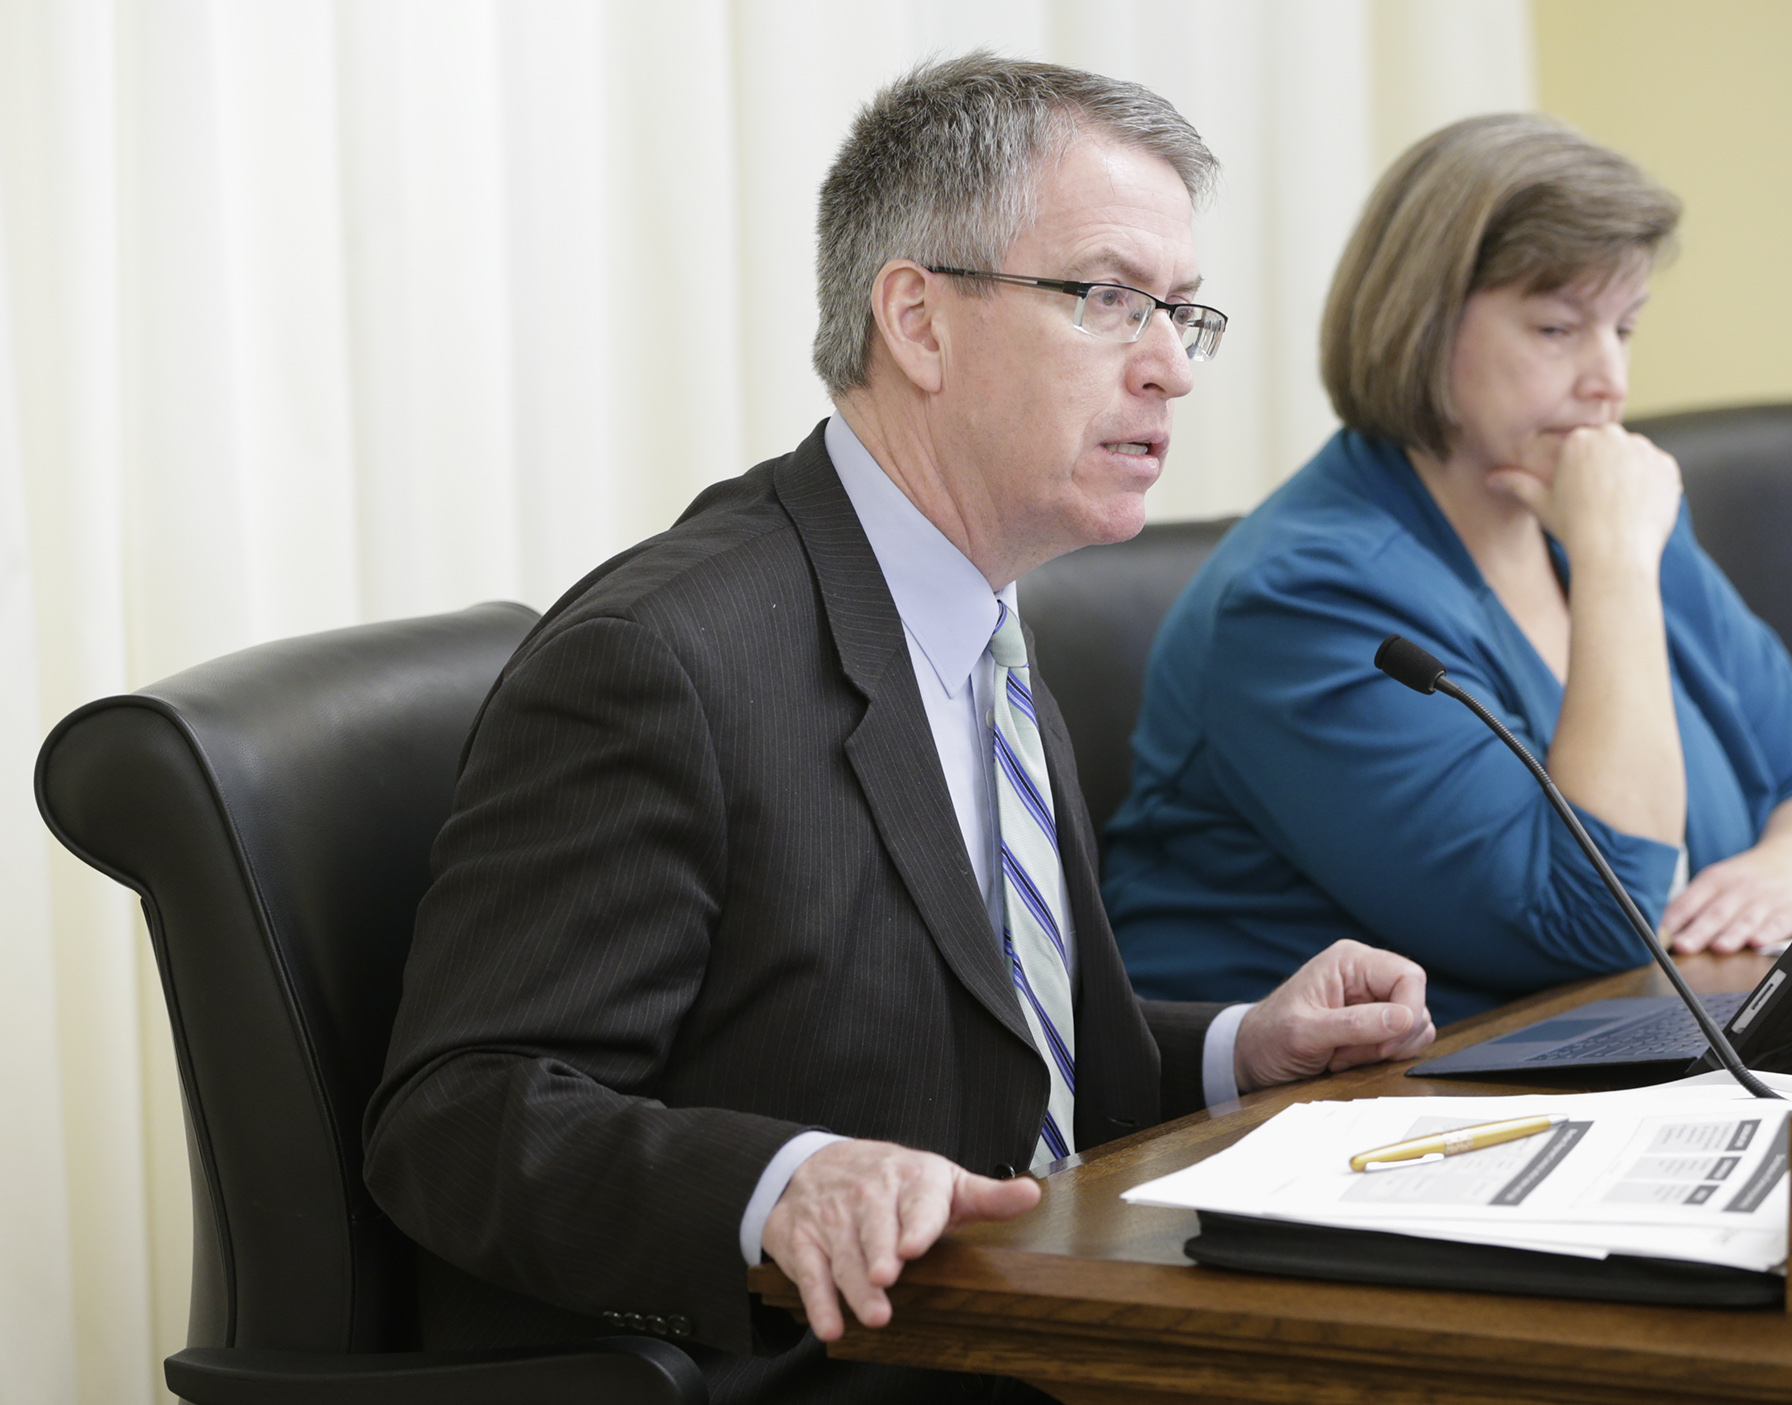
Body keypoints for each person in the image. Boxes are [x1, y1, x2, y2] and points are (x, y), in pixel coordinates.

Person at [363, 55, 1436, 1404]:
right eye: (1110, 299)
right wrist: (780, 1184)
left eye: (1182, 312)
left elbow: (1001, 1068)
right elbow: (457, 1121)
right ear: (918, 322)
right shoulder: (663, 661)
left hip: (1045, 1324)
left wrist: (1238, 1050)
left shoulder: (983, 633)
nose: (1170, 366)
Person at [1101, 114, 1792, 1027]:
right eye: (1559, 328)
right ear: (1424, 326)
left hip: (1615, 1052)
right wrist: (1612, 562)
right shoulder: (1303, 599)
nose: (1610, 380)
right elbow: (1596, 919)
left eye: (1625, 328)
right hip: (1326, 1114)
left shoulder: (1607, 517)